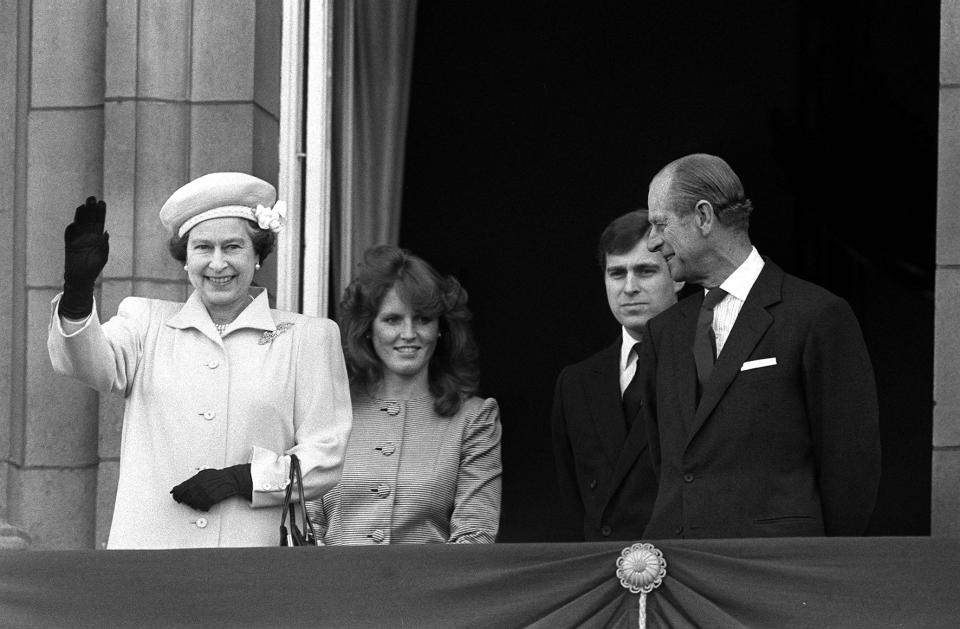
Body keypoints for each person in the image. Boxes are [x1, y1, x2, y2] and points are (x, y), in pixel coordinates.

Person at [47, 172, 352, 548]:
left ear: (259, 255)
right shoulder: (145, 323)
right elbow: (88, 365)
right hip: (152, 557)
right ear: (185, 261)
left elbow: (326, 456)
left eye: (233, 247)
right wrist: (77, 293)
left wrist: (245, 479)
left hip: (254, 557)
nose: (217, 263)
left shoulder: (308, 337)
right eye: (203, 248)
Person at [639, 153, 881, 539]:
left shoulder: (815, 315)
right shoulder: (663, 333)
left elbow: (850, 465)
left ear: (703, 217)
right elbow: (665, 463)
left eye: (659, 224)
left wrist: (821, 566)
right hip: (679, 571)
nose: (652, 242)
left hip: (775, 575)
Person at [308, 244, 501, 544]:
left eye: (423, 319)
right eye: (393, 319)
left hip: (430, 589)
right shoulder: (332, 409)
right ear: (368, 328)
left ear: (441, 328)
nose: (409, 333)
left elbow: (475, 535)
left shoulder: (474, 418)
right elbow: (308, 528)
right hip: (335, 588)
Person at [551, 210, 683, 541]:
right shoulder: (576, 382)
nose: (629, 287)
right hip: (601, 575)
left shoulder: (705, 364)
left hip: (680, 571)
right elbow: (569, 506)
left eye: (645, 271)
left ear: (678, 276)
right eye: (616, 273)